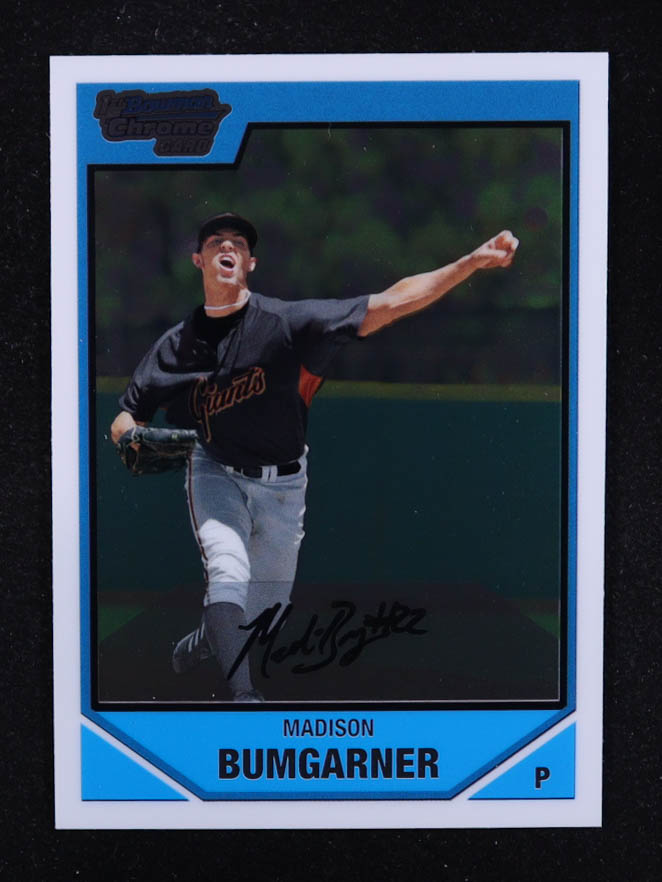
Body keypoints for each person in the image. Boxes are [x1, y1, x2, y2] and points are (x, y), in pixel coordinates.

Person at [110, 212, 518, 702]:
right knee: (227, 569)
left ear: (250, 263)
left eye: (239, 243)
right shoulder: (176, 345)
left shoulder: (286, 324)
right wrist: (128, 436)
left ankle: (205, 639)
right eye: (217, 241)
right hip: (214, 470)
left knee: (265, 614)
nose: (228, 247)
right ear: (199, 259)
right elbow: (125, 415)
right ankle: (244, 697)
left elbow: (391, 301)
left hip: (283, 484)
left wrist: (469, 263)